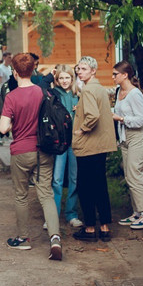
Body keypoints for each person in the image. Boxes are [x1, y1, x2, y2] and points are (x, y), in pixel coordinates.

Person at [0, 53, 62, 260]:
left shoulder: (12, 97)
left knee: (21, 195)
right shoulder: (44, 92)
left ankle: (23, 239)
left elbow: (3, 128)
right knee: (46, 194)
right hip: (43, 149)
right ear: (34, 70)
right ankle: (55, 238)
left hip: (21, 151)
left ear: (15, 72)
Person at [71, 56, 118, 242]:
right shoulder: (99, 88)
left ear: (93, 71)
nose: (79, 72)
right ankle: (105, 228)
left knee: (85, 187)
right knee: (100, 185)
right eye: (78, 69)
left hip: (89, 146)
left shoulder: (89, 90)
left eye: (83, 69)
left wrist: (81, 129)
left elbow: (93, 116)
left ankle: (90, 228)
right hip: (101, 145)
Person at [112, 60, 143, 230]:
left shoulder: (135, 94)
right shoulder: (119, 91)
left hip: (138, 137)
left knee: (135, 174)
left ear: (125, 75)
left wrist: (121, 119)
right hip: (125, 137)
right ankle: (136, 212)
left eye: (115, 74)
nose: (113, 77)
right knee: (129, 175)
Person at [50, 65, 83, 228]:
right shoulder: (54, 94)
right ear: (57, 79)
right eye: (61, 78)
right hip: (60, 142)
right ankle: (53, 215)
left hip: (75, 141)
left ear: (72, 78)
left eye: (67, 78)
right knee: (56, 179)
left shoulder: (79, 95)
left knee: (74, 178)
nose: (64, 81)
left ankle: (71, 213)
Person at [0, 52, 13, 140]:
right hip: (2, 92)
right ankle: (2, 132)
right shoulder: (0, 68)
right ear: (5, 57)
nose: (10, 59)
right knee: (3, 112)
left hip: (9, 92)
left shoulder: (9, 68)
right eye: (9, 57)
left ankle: (7, 131)